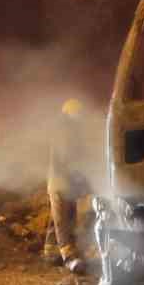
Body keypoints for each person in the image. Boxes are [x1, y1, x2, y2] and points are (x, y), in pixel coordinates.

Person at [44, 98, 90, 274]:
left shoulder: (69, 131)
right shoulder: (64, 132)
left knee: (58, 216)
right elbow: (66, 159)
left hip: (64, 182)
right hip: (61, 182)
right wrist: (80, 179)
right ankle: (69, 257)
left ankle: (50, 252)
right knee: (64, 219)